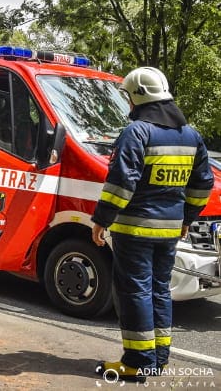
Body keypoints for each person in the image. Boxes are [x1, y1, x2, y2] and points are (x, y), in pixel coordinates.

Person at [91, 67, 214, 382]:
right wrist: (187, 219)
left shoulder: (138, 132)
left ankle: (136, 362)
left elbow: (121, 182)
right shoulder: (191, 135)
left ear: (138, 97)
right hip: (170, 230)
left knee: (135, 292)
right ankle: (157, 358)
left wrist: (102, 220)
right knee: (159, 290)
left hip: (135, 230)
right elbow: (202, 185)